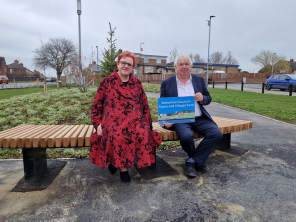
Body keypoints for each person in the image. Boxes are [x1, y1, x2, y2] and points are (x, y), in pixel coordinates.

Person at [90, 51, 162, 182]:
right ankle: (123, 169)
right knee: (118, 134)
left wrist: (148, 124)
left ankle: (114, 163)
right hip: (112, 120)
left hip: (134, 119)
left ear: (133, 68)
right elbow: (96, 105)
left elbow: (145, 105)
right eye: (123, 63)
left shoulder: (137, 84)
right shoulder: (107, 82)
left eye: (129, 64)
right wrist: (97, 123)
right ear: (118, 64)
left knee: (142, 133)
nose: (126, 66)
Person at [160, 54, 223, 177]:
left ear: (190, 66)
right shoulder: (167, 83)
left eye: (186, 64)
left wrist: (202, 98)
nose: (184, 67)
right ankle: (197, 161)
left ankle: (192, 161)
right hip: (180, 119)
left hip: (199, 118)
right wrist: (167, 118)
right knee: (187, 136)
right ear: (175, 67)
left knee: (216, 133)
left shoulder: (198, 80)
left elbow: (208, 98)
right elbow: (164, 104)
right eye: (181, 64)